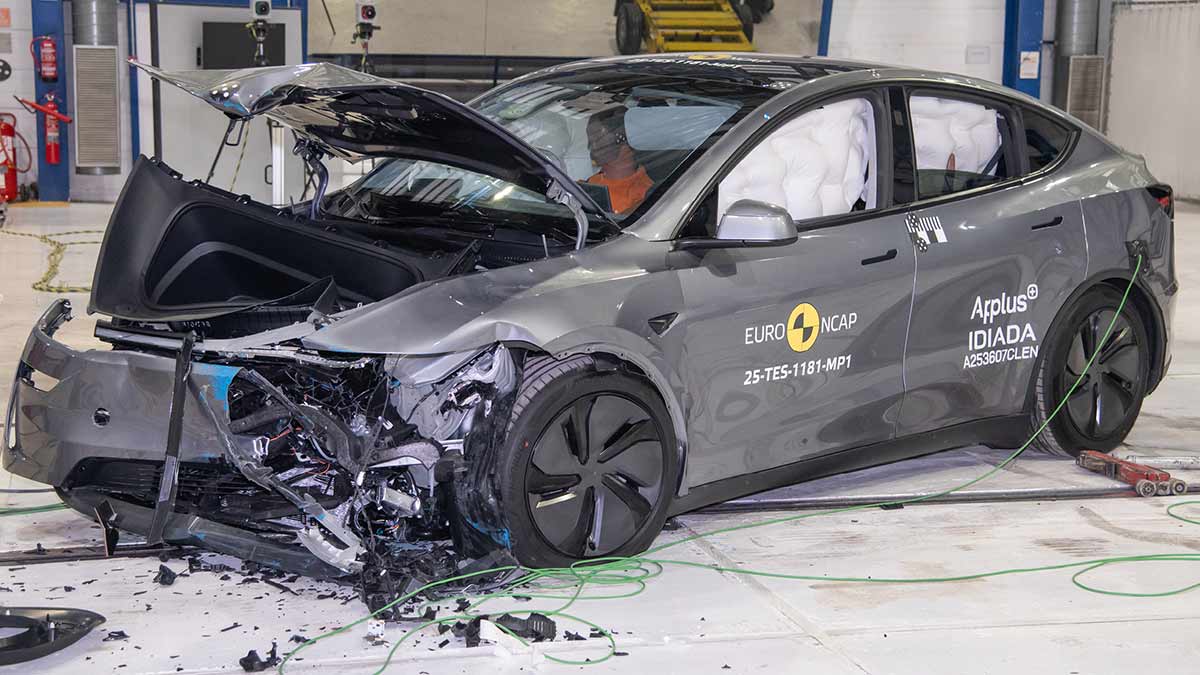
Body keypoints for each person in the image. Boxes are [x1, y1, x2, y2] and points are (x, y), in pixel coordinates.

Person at [585, 108, 653, 215]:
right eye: (591, 139)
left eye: (597, 138)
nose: (591, 146)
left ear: (623, 139)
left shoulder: (645, 196)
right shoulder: (587, 184)